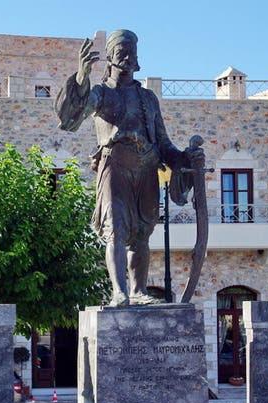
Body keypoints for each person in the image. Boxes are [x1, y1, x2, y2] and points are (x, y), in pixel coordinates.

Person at [55, 29, 204, 307]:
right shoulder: (100, 93)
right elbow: (70, 117)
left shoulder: (148, 99)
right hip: (115, 167)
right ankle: (119, 292)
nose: (127, 57)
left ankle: (138, 290)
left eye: (131, 52)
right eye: (121, 51)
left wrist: (185, 158)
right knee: (117, 229)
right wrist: (81, 76)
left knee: (141, 235)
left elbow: (164, 145)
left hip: (146, 169)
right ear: (110, 57)